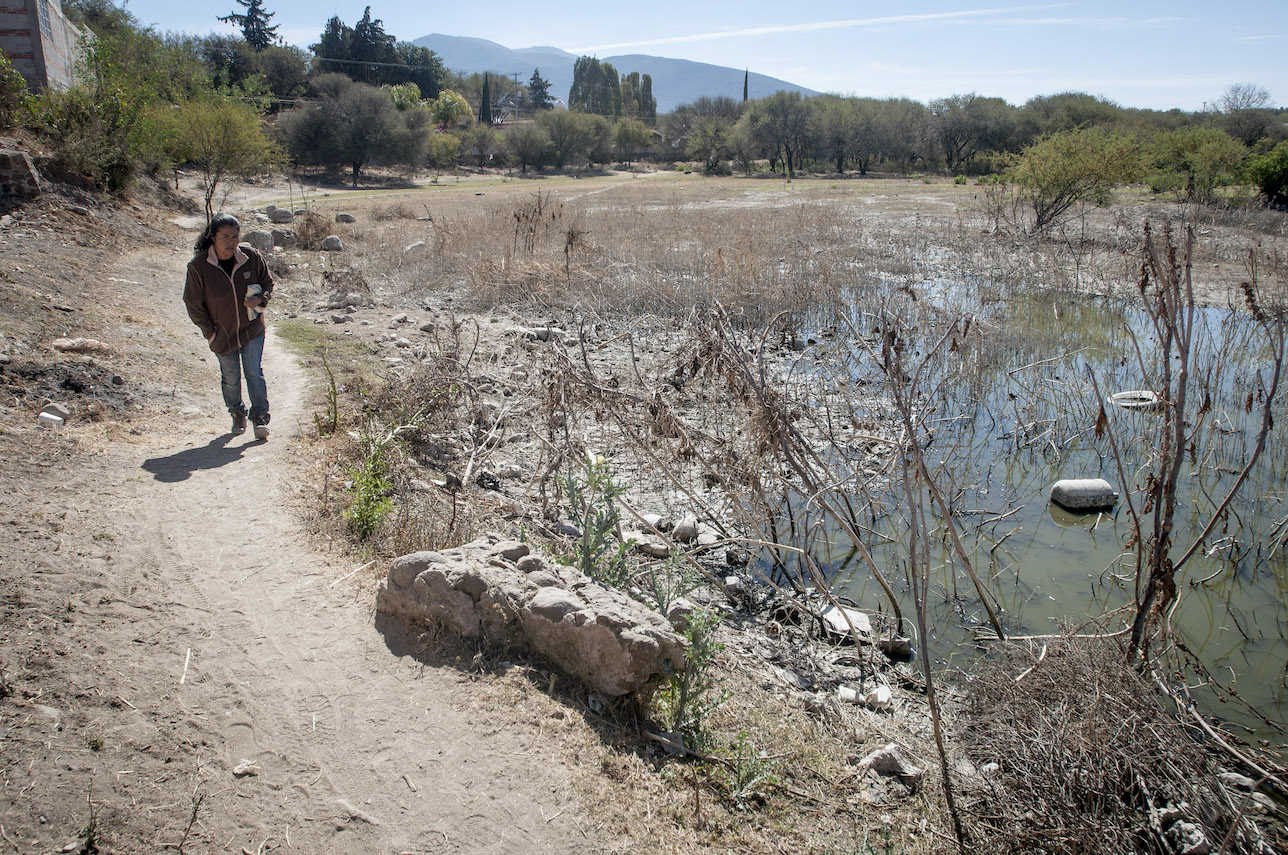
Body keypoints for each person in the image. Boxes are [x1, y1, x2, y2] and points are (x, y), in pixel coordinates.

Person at [183, 214, 275, 439]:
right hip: (221, 334)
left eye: (235, 237)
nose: (231, 242)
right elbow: (193, 303)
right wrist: (210, 332)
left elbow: (267, 283)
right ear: (213, 237)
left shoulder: (251, 257)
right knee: (231, 377)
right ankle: (236, 412)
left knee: (254, 371)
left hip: (252, 328)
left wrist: (261, 298)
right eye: (225, 237)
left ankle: (260, 417)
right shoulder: (198, 267)